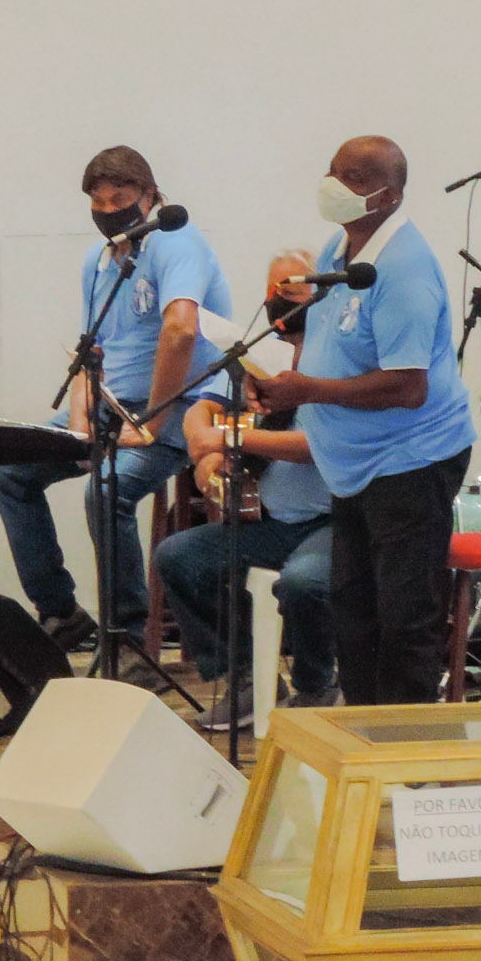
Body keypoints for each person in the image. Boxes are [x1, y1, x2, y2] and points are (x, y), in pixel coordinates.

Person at [0, 146, 231, 671]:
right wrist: (79, 426)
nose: (107, 210)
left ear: (149, 194)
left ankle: (128, 639)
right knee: (10, 469)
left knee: (105, 490)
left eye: (119, 199)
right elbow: (89, 352)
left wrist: (153, 420)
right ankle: (61, 611)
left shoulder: (177, 243)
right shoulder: (99, 262)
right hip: (112, 403)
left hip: (184, 404)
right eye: (97, 202)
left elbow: (181, 331)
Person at [253, 137, 476, 706]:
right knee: (353, 609)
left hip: (410, 459)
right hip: (352, 464)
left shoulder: (403, 270)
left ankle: (407, 747)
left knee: (404, 617)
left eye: (353, 178)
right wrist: (275, 381)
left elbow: (408, 387)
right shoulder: (339, 247)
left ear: (389, 195)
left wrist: (308, 390)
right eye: (333, 171)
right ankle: (361, 733)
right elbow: (333, 339)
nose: (334, 185)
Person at [155, 250, 338, 729]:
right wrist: (205, 454)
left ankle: (317, 686)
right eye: (274, 292)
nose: (280, 301)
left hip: (334, 518)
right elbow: (203, 408)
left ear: (319, 295)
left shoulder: (336, 358)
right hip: (273, 520)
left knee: (302, 583)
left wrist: (231, 441)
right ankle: (247, 680)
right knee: (179, 557)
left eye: (292, 292)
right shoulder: (259, 351)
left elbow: (316, 446)